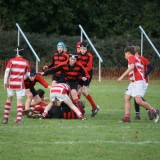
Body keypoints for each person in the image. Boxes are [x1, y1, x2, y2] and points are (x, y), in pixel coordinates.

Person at [118, 46, 159, 123]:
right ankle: (127, 118)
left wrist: (122, 76)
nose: (125, 55)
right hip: (134, 82)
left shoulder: (131, 57)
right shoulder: (134, 58)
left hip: (138, 82)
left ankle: (154, 111)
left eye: (125, 53)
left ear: (128, 53)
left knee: (138, 101)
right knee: (126, 98)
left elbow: (132, 67)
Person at [2, 46, 30, 124]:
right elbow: (28, 74)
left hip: (11, 83)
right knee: (19, 100)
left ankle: (5, 118)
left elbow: (7, 71)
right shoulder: (25, 62)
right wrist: (22, 78)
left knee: (9, 98)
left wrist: (5, 82)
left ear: (16, 53)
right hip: (20, 84)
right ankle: (18, 119)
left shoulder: (11, 61)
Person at [77, 41, 100, 117]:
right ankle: (78, 107)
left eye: (84, 49)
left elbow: (89, 67)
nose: (82, 50)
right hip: (80, 74)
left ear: (86, 49)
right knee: (77, 89)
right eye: (81, 49)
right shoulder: (78, 55)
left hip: (87, 74)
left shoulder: (89, 55)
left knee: (83, 90)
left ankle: (95, 107)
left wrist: (81, 70)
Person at [133, 46, 154, 120]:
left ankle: (151, 111)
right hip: (137, 80)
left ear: (136, 52)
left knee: (138, 97)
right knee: (136, 96)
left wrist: (145, 74)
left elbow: (151, 66)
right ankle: (138, 114)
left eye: (133, 51)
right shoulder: (133, 59)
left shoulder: (141, 59)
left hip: (143, 81)